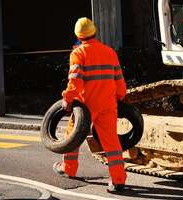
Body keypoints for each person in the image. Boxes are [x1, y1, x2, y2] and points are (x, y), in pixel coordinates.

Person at [52, 17, 127, 193]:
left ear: (78, 35)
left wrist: (67, 99)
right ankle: (118, 180)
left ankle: (68, 168)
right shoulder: (109, 52)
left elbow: (75, 83)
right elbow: (119, 80)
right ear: (94, 32)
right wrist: (121, 96)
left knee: (73, 135)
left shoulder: (78, 53)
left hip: (86, 105)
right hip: (108, 103)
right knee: (111, 142)